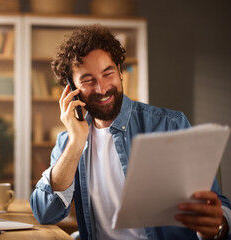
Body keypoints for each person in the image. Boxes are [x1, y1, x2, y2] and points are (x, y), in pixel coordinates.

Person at [30, 24, 231, 240]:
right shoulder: (67, 142)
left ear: (120, 71)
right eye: (88, 80)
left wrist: (217, 227)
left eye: (108, 74)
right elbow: (45, 213)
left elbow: (219, 210)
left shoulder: (169, 125)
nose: (102, 88)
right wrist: (76, 143)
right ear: (70, 89)